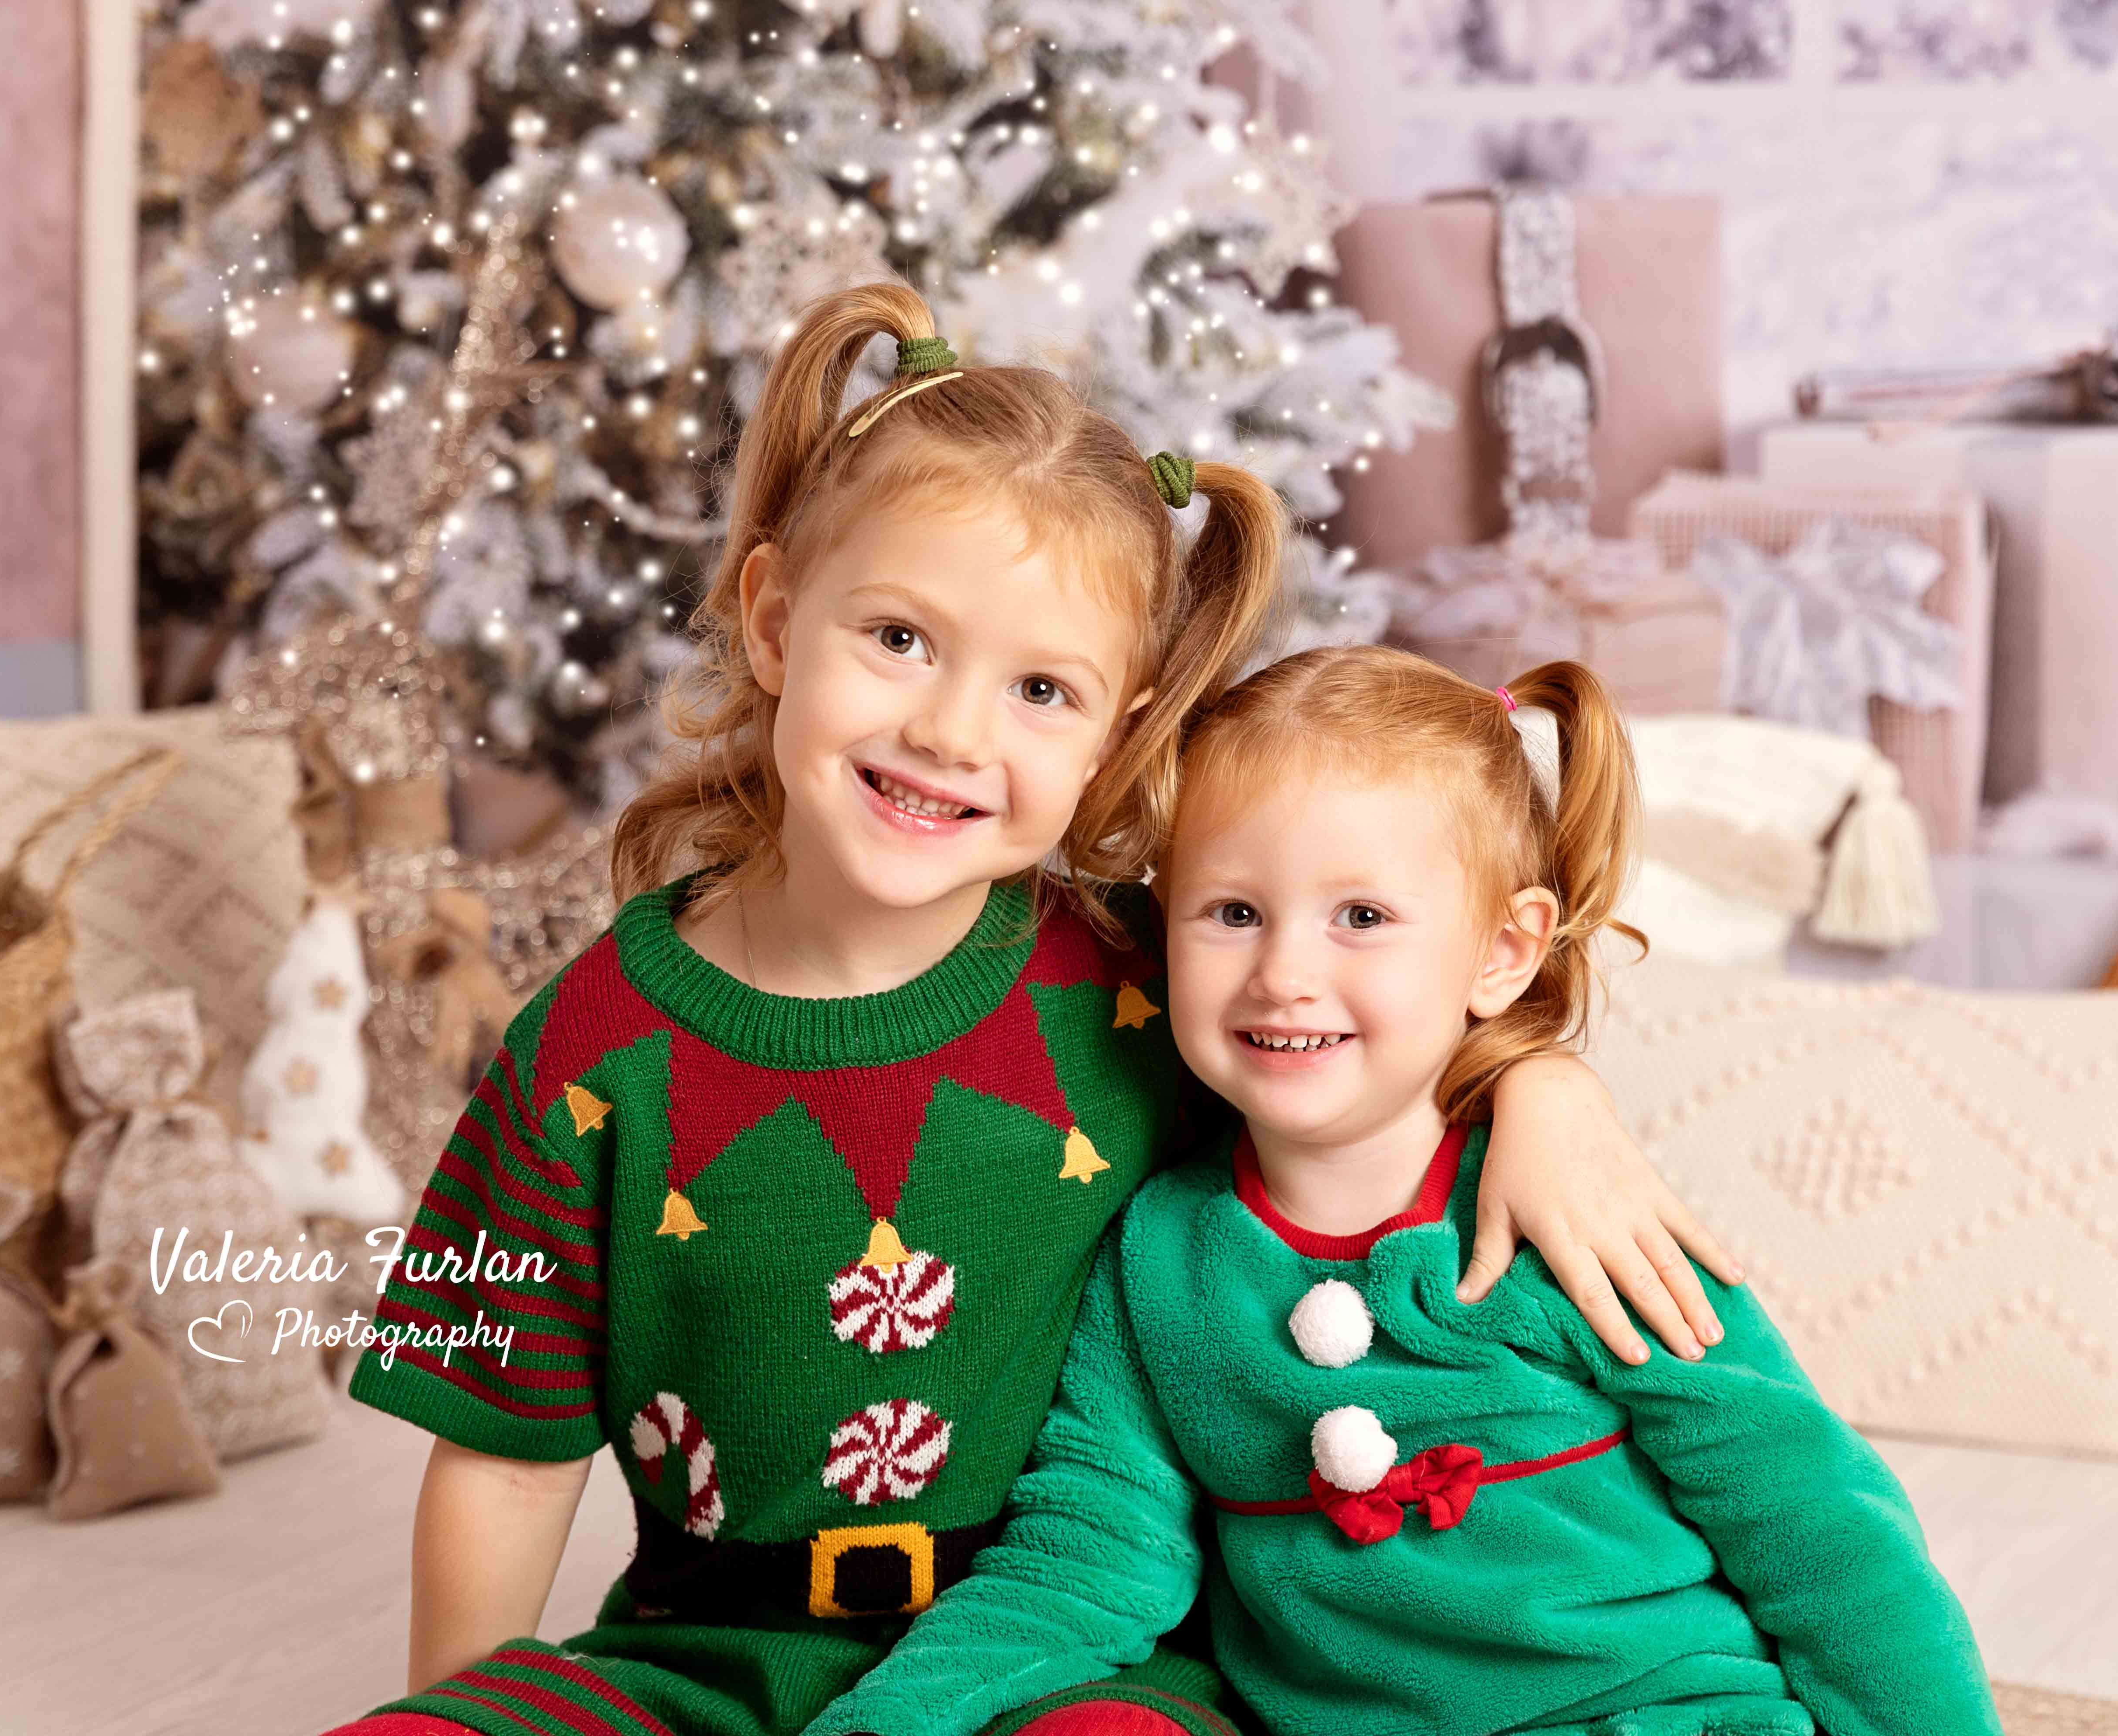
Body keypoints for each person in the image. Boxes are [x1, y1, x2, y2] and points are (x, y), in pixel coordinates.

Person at [319, 285, 1741, 1736]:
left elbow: (1368, 1067)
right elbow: (499, 1459)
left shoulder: (1146, 985)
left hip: (1083, 1657)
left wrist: (1545, 1092)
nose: (950, 731)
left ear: (1117, 734)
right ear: (769, 620)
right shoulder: (588, 1048)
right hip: (695, 1658)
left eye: (1042, 689)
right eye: (897, 639)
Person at [811, 648, 2003, 1736]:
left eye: (1363, 918)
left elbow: (1814, 1526)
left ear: (1500, 952)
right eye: (1231, 913)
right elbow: (1085, 1557)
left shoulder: (1569, 1218)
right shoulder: (1159, 1257)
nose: (1284, 974)